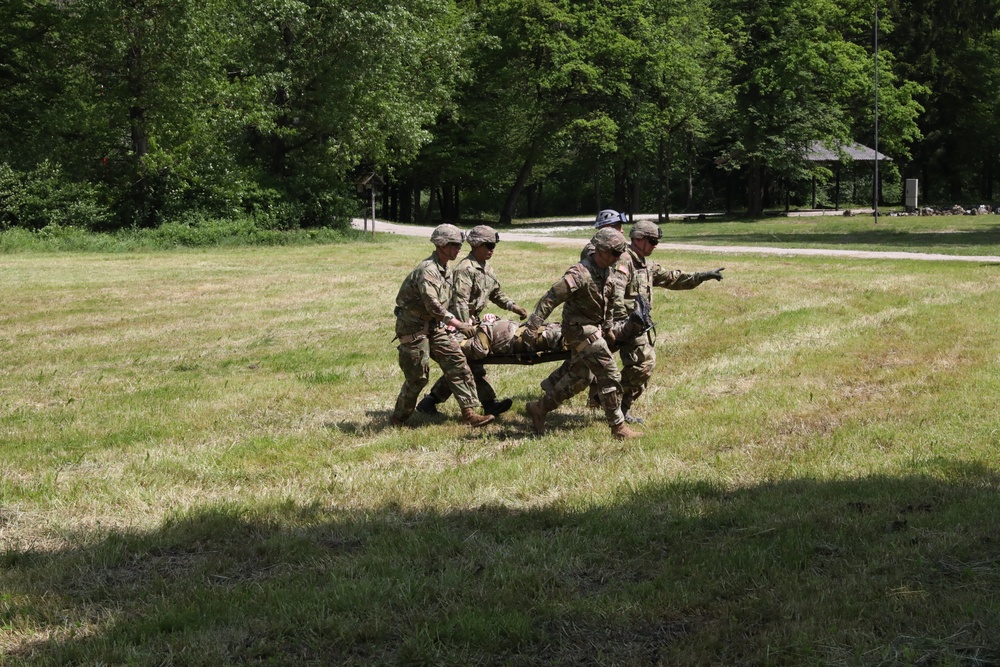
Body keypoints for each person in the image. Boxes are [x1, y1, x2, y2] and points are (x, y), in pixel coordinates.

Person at [523, 227, 642, 440]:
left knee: (581, 377)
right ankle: (618, 427)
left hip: (594, 328)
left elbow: (608, 302)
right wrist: (532, 327)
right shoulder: (579, 274)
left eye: (619, 254)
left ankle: (539, 408)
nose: (617, 258)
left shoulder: (607, 270)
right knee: (609, 373)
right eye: (614, 253)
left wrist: (608, 328)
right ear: (601, 249)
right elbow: (550, 298)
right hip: (578, 329)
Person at [613, 219, 724, 422]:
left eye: (657, 242)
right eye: (652, 241)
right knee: (642, 366)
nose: (656, 245)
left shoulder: (645, 264)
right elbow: (615, 295)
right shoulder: (624, 261)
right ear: (638, 239)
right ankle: (613, 403)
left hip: (637, 324)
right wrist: (622, 325)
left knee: (643, 367)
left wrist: (701, 276)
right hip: (624, 325)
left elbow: (672, 278)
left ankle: (617, 406)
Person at [416, 225, 528, 417]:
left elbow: (495, 293)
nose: (492, 249)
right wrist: (464, 328)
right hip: (456, 323)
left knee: (467, 363)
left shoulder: (486, 268)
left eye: (494, 245)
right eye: (488, 245)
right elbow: (459, 302)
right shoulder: (465, 269)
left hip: (470, 322)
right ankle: (486, 403)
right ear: (476, 245)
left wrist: (513, 306)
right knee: (470, 361)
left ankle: (431, 401)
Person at [389, 224, 495, 428]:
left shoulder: (446, 268)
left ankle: (469, 413)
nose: (458, 249)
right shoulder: (428, 270)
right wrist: (459, 324)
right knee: (418, 377)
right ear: (441, 245)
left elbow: (449, 301)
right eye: (454, 245)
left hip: (435, 326)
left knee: (457, 361)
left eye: (459, 245)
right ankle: (398, 419)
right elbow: (434, 306)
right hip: (413, 327)